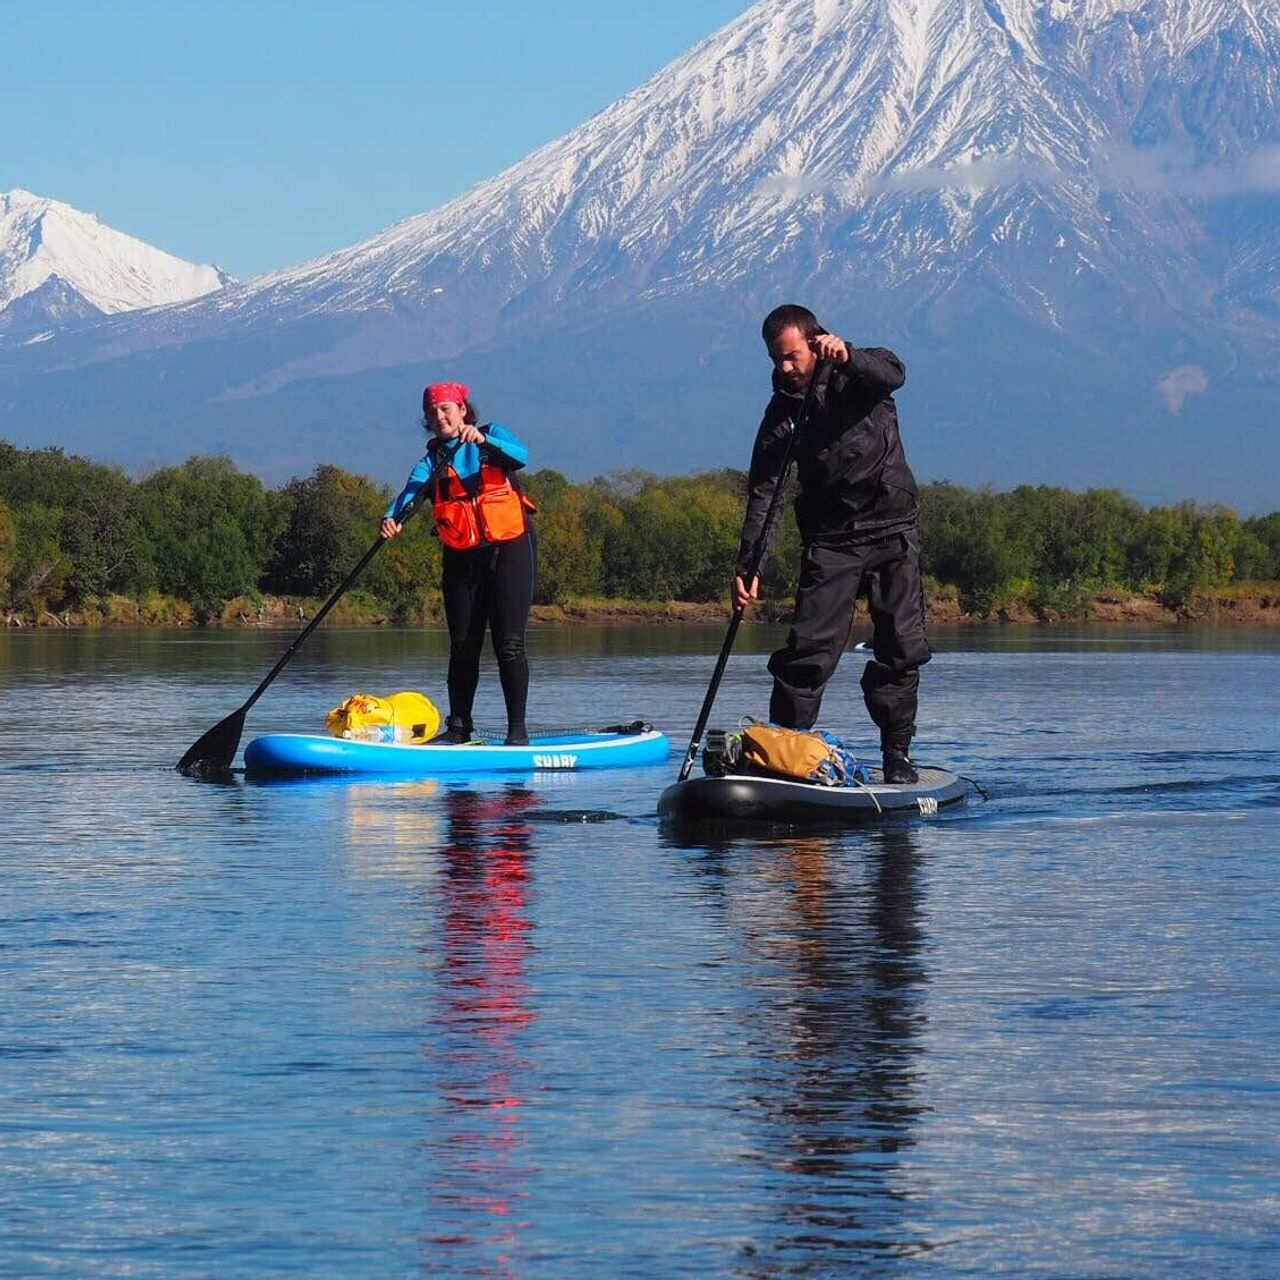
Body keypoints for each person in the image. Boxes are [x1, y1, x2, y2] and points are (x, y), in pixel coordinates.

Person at [732, 304, 929, 784]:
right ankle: (785, 756)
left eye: (792, 356)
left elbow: (895, 373)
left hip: (891, 527)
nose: (784, 368)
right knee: (807, 654)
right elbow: (765, 491)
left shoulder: (863, 373)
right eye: (776, 359)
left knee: (900, 648)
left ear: (817, 344)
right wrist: (749, 564)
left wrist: (849, 356)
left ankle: (896, 755)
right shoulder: (783, 412)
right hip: (831, 540)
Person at [382, 381, 537, 745]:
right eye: (432, 413)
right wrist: (392, 519)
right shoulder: (431, 461)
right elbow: (410, 495)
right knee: (463, 646)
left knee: (509, 644)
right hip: (462, 560)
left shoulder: (491, 436)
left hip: (510, 551)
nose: (440, 417)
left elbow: (521, 455)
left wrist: (484, 443)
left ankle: (517, 733)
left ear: (462, 410)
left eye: (446, 409)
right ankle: (459, 727)